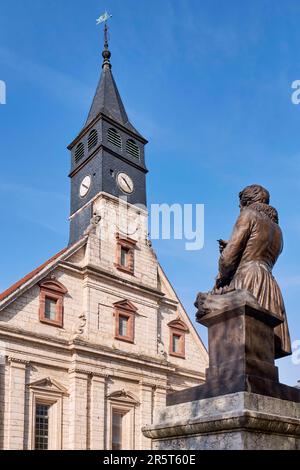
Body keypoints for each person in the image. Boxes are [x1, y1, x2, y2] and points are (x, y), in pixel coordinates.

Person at [213, 184, 291, 359]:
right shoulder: (278, 230)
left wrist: (221, 278)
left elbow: (228, 259)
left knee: (239, 343)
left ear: (246, 203)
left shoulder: (248, 215)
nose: (240, 208)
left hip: (248, 279)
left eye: (240, 205)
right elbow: (259, 251)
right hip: (269, 284)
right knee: (262, 347)